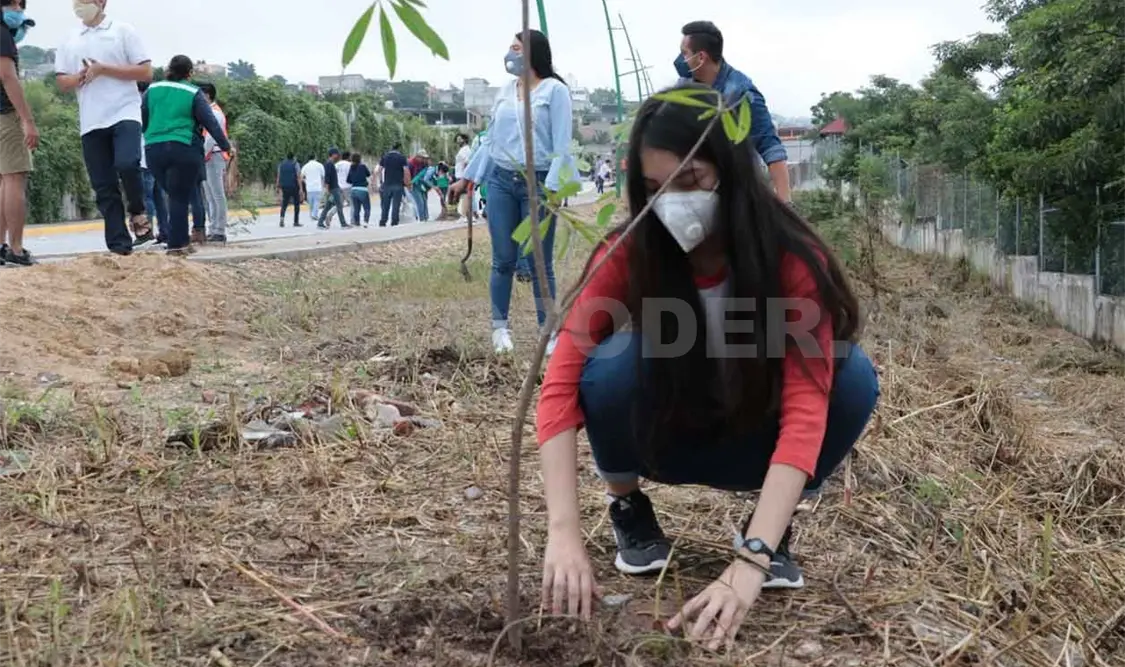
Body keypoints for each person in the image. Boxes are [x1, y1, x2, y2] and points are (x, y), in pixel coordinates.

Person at [536, 85, 879, 648]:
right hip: (666, 439)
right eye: (654, 189)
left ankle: (769, 528)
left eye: (690, 181)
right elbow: (559, 383)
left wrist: (749, 565)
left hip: (756, 444)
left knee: (851, 375)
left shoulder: (790, 261)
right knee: (607, 363)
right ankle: (627, 506)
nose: (673, 201)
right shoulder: (632, 251)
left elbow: (804, 413)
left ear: (730, 171)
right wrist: (563, 532)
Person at [449, 29, 572, 355]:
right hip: (502, 182)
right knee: (502, 259)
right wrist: (467, 178)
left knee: (538, 262)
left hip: (539, 183)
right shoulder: (504, 92)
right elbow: (491, 142)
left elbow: (562, 146)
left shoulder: (554, 91)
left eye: (516, 48)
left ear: (532, 53)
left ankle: (549, 333)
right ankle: (500, 329)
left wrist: (555, 189)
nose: (509, 53)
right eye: (509, 47)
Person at [55, 0, 153, 255]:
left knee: (128, 163)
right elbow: (62, 80)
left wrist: (104, 69)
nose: (80, 5)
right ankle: (119, 245)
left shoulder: (122, 31)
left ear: (101, 2)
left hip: (125, 111)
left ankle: (138, 210)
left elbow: (145, 72)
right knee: (103, 184)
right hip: (91, 119)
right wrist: (82, 76)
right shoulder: (70, 39)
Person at [675, 20, 791, 202]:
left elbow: (769, 146)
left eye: (684, 53)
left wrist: (785, 205)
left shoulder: (741, 93)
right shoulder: (684, 87)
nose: (681, 60)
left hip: (737, 194)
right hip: (693, 193)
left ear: (701, 57)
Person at [141, 55, 231, 256]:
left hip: (154, 149)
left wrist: (152, 134)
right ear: (190, 73)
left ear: (168, 70)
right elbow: (210, 123)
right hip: (183, 148)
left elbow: (143, 118)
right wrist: (226, 146)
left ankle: (179, 242)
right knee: (179, 197)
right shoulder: (193, 92)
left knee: (172, 195)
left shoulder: (152, 90)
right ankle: (177, 245)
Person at [0, 0, 38, 267]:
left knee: (3, 181)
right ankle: (15, 248)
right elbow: (7, 75)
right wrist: (27, 119)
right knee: (14, 178)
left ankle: (2, 246)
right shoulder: (2, 33)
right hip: (5, 113)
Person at [198, 81, 229, 243]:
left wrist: (200, 155)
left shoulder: (214, 113)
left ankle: (219, 229)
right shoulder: (210, 111)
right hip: (209, 156)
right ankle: (214, 228)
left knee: (216, 194)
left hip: (214, 155)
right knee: (210, 195)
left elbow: (210, 138)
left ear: (207, 95)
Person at [376, 142, 408, 227]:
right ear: (399, 149)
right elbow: (405, 171)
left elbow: (379, 170)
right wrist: (407, 182)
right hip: (398, 184)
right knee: (396, 204)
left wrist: (381, 181)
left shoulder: (385, 157)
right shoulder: (402, 158)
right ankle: (394, 222)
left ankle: (383, 221)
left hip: (387, 184)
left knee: (385, 204)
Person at [317, 147, 348, 229]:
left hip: (335, 187)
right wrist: (327, 189)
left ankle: (320, 222)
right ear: (333, 154)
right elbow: (327, 178)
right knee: (339, 205)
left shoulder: (330, 164)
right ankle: (343, 224)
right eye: (337, 154)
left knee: (328, 206)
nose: (338, 155)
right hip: (333, 189)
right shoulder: (329, 164)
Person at [346, 152, 372, 227]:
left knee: (356, 208)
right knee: (367, 207)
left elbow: (348, 180)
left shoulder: (351, 167)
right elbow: (368, 174)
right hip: (363, 190)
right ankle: (365, 222)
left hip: (354, 190)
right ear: (360, 159)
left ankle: (357, 223)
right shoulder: (362, 166)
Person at [276, 153, 301, 227]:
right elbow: (298, 176)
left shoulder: (281, 165)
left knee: (284, 203)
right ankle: (296, 221)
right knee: (296, 204)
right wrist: (301, 189)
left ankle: (282, 218)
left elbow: (278, 176)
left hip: (284, 186)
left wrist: (277, 186)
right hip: (294, 186)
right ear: (293, 157)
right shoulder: (296, 164)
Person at [409, 150, 433, 221]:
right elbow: (407, 174)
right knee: (420, 202)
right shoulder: (411, 163)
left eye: (424, 158)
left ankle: (426, 217)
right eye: (422, 158)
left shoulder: (424, 164)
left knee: (424, 200)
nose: (423, 159)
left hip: (422, 184)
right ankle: (422, 219)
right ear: (417, 157)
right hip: (414, 184)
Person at [453, 132, 472, 221]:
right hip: (460, 175)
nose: (458, 141)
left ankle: (464, 215)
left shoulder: (465, 150)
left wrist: (465, 175)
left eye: (460, 139)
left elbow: (467, 162)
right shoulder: (463, 150)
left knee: (463, 195)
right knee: (463, 195)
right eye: (457, 139)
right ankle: (466, 215)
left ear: (464, 140)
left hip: (462, 175)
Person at [300, 153, 324, 223]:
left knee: (311, 202)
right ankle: (314, 215)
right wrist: (323, 184)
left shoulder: (305, 166)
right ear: (315, 157)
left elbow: (301, 177)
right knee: (317, 201)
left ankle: (312, 215)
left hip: (309, 187)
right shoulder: (319, 165)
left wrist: (305, 181)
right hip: (317, 186)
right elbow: (323, 176)